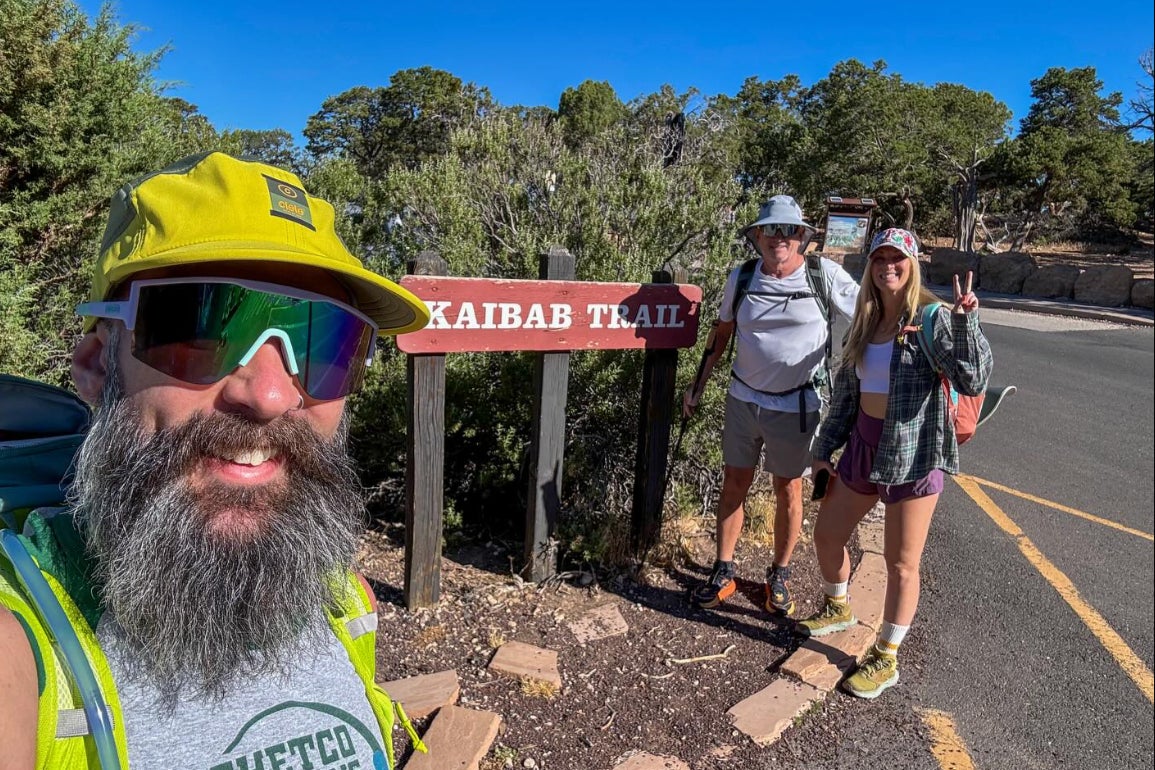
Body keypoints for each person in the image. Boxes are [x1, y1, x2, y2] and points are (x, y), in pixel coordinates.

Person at [0, 151, 431, 769]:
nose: (273, 394)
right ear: (97, 368)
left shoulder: (342, 600)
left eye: (323, 341)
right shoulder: (19, 646)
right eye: (197, 327)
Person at [797, 227, 992, 699]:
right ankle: (837, 605)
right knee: (827, 534)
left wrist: (966, 324)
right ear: (871, 266)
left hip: (914, 452)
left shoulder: (932, 318)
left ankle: (886, 655)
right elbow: (847, 395)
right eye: (880, 258)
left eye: (897, 258)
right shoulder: (866, 322)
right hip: (865, 444)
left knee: (901, 563)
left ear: (912, 263)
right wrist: (824, 449)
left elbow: (973, 378)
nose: (888, 266)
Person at [682, 195, 859, 614]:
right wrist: (697, 387)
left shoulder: (824, 276)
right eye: (771, 229)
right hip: (743, 400)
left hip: (796, 406)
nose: (779, 238)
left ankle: (778, 576)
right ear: (757, 236)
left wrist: (924, 320)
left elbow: (872, 313)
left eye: (788, 230)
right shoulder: (743, 277)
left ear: (801, 237)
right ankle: (722, 570)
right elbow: (721, 334)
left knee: (789, 491)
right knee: (734, 486)